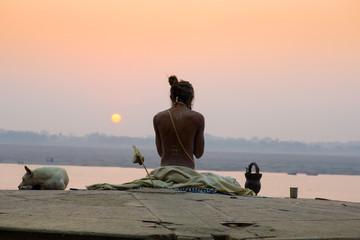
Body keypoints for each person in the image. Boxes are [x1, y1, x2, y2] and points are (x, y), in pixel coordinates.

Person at [153, 75, 205, 169]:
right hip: (187, 172)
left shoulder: (158, 118)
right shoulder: (197, 118)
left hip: (164, 172)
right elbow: (198, 153)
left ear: (171, 97)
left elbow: (161, 152)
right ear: (191, 98)